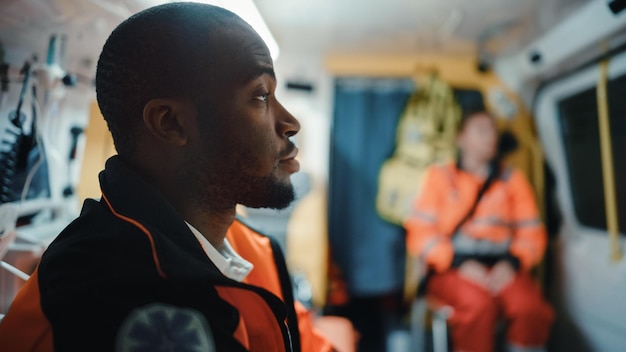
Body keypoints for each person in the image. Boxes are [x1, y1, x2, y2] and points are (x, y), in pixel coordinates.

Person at [0, 3, 337, 351]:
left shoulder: (253, 248)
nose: (290, 123)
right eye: (261, 95)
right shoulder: (103, 299)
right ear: (171, 123)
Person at [405, 109, 554, 352]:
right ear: (460, 138)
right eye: (481, 130)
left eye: (493, 130)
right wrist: (457, 261)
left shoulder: (511, 179)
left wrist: (513, 263)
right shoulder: (440, 178)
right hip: (451, 268)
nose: (490, 137)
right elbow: (420, 234)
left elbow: (532, 234)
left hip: (503, 267)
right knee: (478, 306)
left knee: (531, 309)